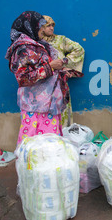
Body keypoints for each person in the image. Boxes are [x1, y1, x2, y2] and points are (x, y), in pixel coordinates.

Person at [5, 11, 70, 146]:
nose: (42, 29)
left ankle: (50, 167)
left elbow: (44, 67)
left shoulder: (40, 45)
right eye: (40, 26)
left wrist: (60, 70)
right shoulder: (22, 49)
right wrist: (51, 66)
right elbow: (23, 77)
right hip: (34, 106)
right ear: (29, 27)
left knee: (50, 143)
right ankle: (31, 166)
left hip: (49, 103)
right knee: (32, 144)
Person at [40, 15, 85, 127]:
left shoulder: (60, 40)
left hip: (59, 83)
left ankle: (62, 139)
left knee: (62, 114)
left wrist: (64, 63)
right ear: (41, 27)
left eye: (52, 25)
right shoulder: (35, 43)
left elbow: (79, 50)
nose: (51, 28)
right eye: (48, 25)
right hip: (42, 86)